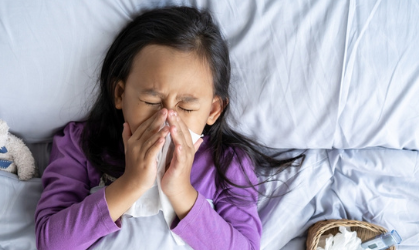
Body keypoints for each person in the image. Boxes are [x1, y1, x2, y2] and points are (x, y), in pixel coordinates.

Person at [35, 6, 302, 250]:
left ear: (212, 110)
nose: (167, 119)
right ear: (120, 93)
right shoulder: (81, 144)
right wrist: (131, 184)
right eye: (151, 101)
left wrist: (182, 194)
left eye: (186, 108)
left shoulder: (228, 164)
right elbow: (51, 242)